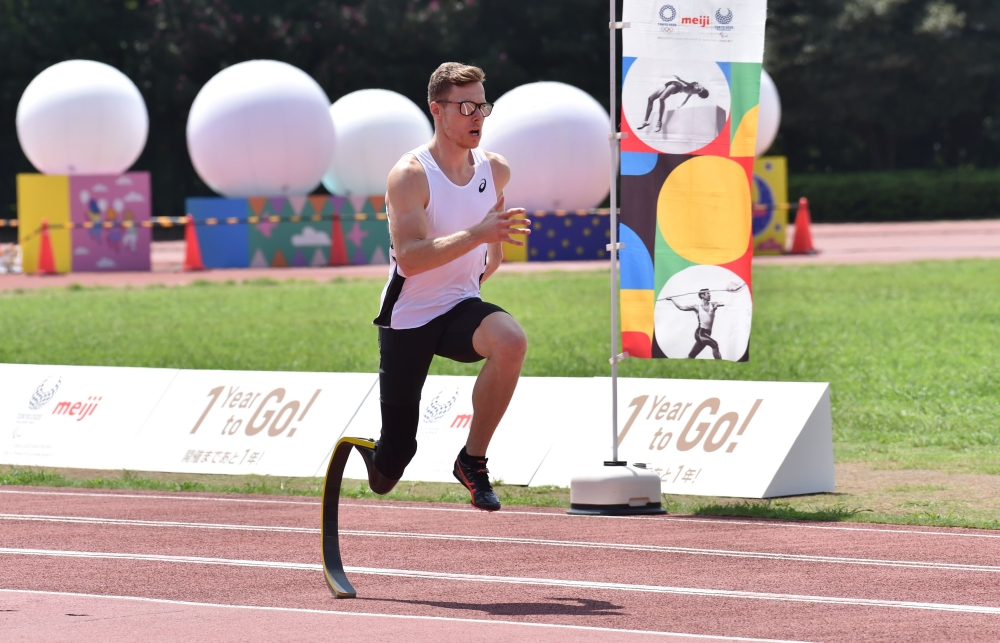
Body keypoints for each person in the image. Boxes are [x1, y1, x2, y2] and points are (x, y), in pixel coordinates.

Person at [357, 62, 530, 512]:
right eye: (466, 106)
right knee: (393, 465)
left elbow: (494, 227)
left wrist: (489, 253)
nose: (478, 116)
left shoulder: (496, 170)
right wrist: (477, 235)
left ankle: (472, 461)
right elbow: (411, 259)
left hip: (458, 307)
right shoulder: (410, 174)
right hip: (409, 316)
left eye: (483, 105)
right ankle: (378, 453)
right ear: (437, 109)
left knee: (511, 340)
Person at [635, 76, 709, 133]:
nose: (698, 92)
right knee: (650, 98)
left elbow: (686, 99)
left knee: (661, 99)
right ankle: (645, 122)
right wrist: (681, 80)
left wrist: (681, 105)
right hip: (672, 83)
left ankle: (659, 122)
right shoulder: (698, 88)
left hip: (676, 86)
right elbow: (692, 86)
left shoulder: (693, 92)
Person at [668, 289, 724, 359]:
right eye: (708, 293)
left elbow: (721, 303)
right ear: (702, 295)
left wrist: (718, 305)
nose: (710, 295)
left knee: (691, 356)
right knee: (714, 345)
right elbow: (681, 307)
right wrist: (672, 299)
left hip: (707, 334)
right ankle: (719, 365)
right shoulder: (696, 307)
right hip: (700, 333)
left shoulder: (712, 304)